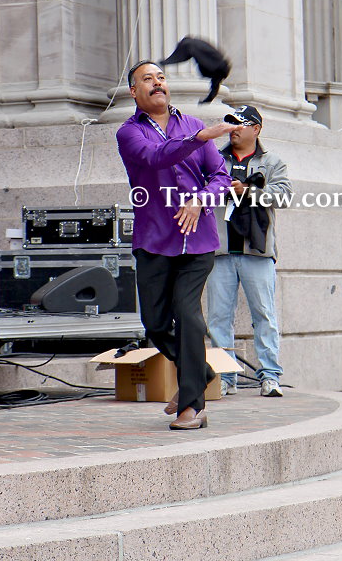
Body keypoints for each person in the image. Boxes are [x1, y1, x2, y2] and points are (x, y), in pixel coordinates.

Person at [116, 60, 236, 430]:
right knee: (154, 323)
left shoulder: (193, 124)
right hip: (154, 239)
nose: (157, 83)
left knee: (187, 313)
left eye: (161, 77)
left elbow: (221, 176)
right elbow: (155, 157)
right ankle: (201, 373)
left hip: (197, 241)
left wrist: (200, 199)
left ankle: (192, 405)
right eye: (147, 79)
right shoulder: (129, 132)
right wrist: (198, 139)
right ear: (134, 91)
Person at [206, 105, 293, 397]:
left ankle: (270, 376)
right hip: (220, 250)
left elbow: (284, 196)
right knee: (218, 318)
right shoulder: (214, 158)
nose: (234, 129)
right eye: (231, 123)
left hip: (257, 251)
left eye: (241, 124)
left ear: (256, 129)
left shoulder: (272, 161)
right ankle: (224, 377)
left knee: (264, 314)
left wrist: (249, 191)